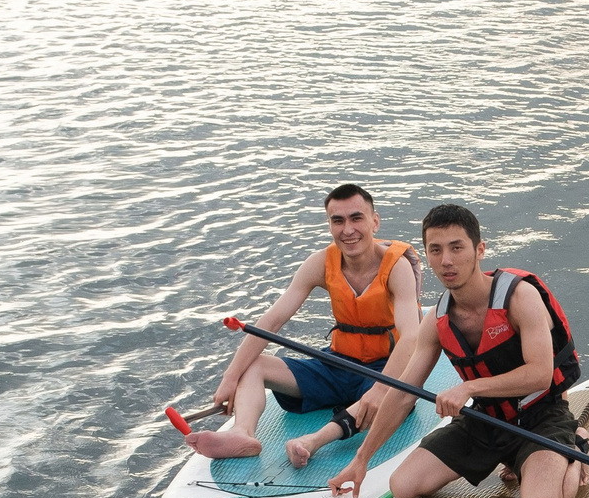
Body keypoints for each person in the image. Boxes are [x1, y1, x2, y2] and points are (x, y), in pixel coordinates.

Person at [331, 203, 588, 498]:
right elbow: (402, 394)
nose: (446, 261)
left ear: (479, 250)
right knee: (403, 487)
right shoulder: (436, 321)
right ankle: (514, 460)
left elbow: (540, 375)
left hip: (541, 416)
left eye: (456, 248)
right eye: (435, 250)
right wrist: (362, 459)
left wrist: (469, 387)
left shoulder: (519, 297)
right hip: (486, 420)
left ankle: (576, 449)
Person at [180, 184, 423, 474]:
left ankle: (313, 441)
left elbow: (411, 337)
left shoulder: (396, 267)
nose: (348, 230)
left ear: (374, 221)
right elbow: (271, 321)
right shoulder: (320, 263)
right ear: (329, 225)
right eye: (338, 221)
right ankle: (242, 433)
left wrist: (380, 388)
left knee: (388, 397)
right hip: (338, 364)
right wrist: (230, 378)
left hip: (384, 368)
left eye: (356, 218)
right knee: (253, 364)